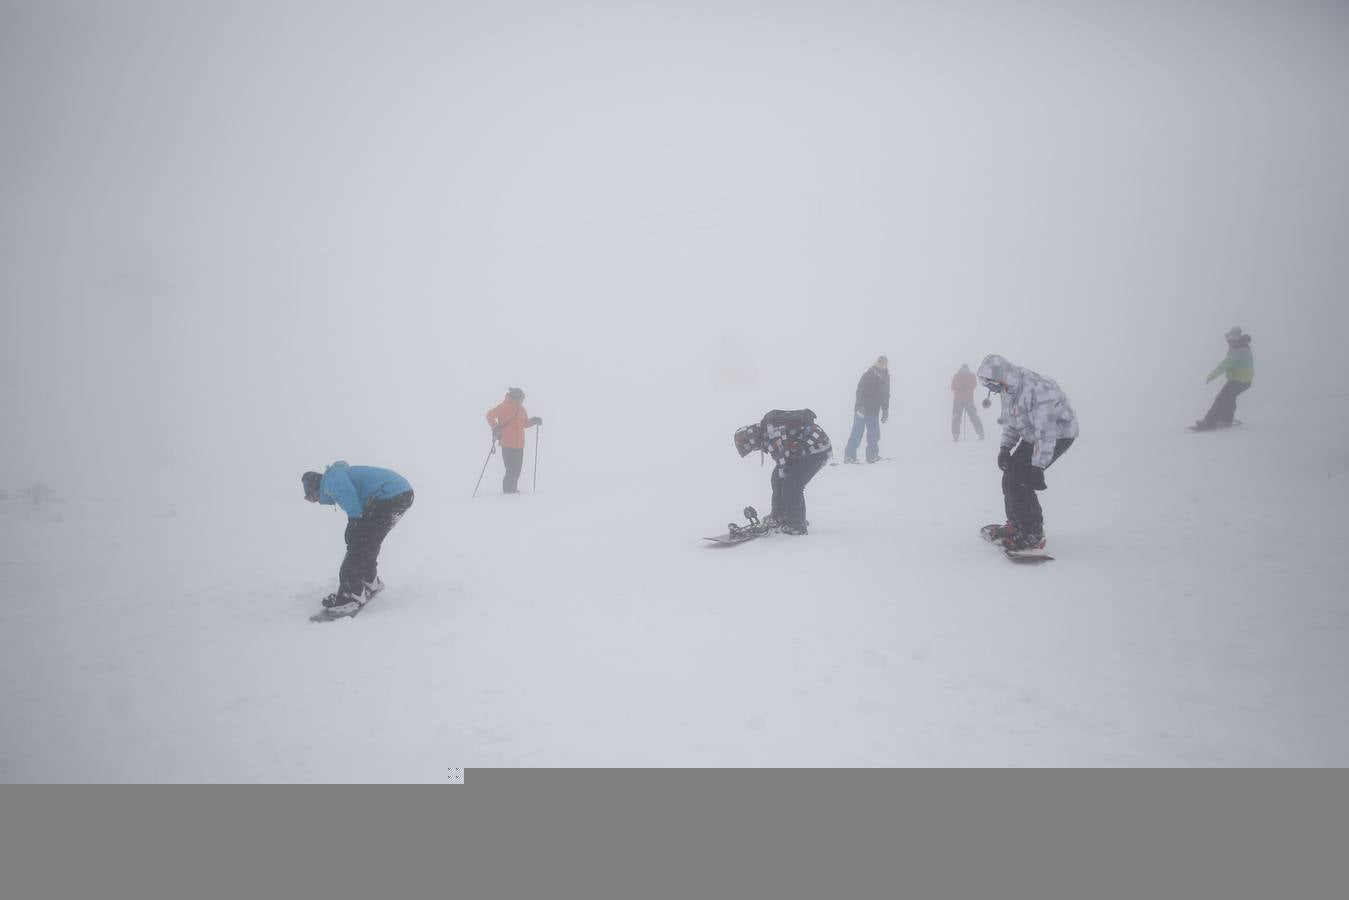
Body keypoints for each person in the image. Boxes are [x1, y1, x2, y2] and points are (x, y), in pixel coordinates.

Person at [975, 354, 1078, 552]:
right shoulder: (1009, 389)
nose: (990, 390)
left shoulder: (1037, 389)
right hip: (1033, 435)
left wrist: (1038, 466)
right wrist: (1005, 448)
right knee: (1009, 478)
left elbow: (1046, 431)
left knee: (1020, 480)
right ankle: (1016, 524)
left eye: (990, 385)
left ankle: (1033, 534)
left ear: (1001, 377)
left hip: (1057, 434)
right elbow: (1012, 421)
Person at [302, 461, 414, 615]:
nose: (317, 501)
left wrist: (354, 523)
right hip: (400, 494)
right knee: (368, 541)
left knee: (359, 545)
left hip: (390, 496)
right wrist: (355, 526)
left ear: (316, 488)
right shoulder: (336, 476)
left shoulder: (330, 481)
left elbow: (349, 495)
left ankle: (350, 596)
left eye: (312, 497)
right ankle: (370, 581)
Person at [734, 409, 831, 535]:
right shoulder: (766, 431)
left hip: (816, 451)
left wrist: (783, 482)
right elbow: (783, 462)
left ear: (751, 440)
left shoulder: (771, 434)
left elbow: (783, 464)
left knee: (791, 485)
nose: (756, 449)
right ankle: (780, 515)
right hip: (802, 451)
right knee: (778, 479)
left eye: (753, 448)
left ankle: (796, 525)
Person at [485, 387, 542, 494]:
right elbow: (489, 415)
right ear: (516, 396)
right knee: (510, 469)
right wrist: (495, 427)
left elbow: (524, 424)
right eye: (522, 397)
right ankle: (507, 492)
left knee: (517, 470)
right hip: (507, 444)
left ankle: (513, 491)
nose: (523, 400)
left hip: (519, 444)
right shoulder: (503, 406)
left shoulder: (521, 409)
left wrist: (534, 421)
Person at [1196, 327, 1254, 428]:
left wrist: (1211, 376)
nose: (1228, 341)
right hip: (1242, 381)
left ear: (1236, 338)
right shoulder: (1239, 346)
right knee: (1229, 398)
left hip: (1239, 381)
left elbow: (1224, 365)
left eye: (1230, 338)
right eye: (1227, 338)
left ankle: (1209, 421)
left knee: (1221, 399)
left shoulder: (1239, 350)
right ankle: (1226, 419)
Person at [842, 356, 890, 463]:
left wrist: (885, 410)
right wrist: (861, 407)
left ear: (886, 365)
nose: (881, 364)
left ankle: (872, 456)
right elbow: (859, 391)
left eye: (883, 362)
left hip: (874, 411)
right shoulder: (868, 375)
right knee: (857, 433)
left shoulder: (886, 378)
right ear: (876, 363)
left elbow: (886, 396)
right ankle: (849, 457)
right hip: (862, 410)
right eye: (879, 362)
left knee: (874, 434)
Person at [950, 363, 984, 441]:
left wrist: (966, 387)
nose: (965, 370)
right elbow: (952, 386)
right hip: (959, 401)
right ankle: (955, 434)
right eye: (964, 369)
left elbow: (974, 385)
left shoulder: (971, 376)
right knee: (956, 418)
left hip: (968, 400)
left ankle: (980, 433)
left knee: (973, 416)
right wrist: (960, 388)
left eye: (966, 369)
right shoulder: (957, 376)